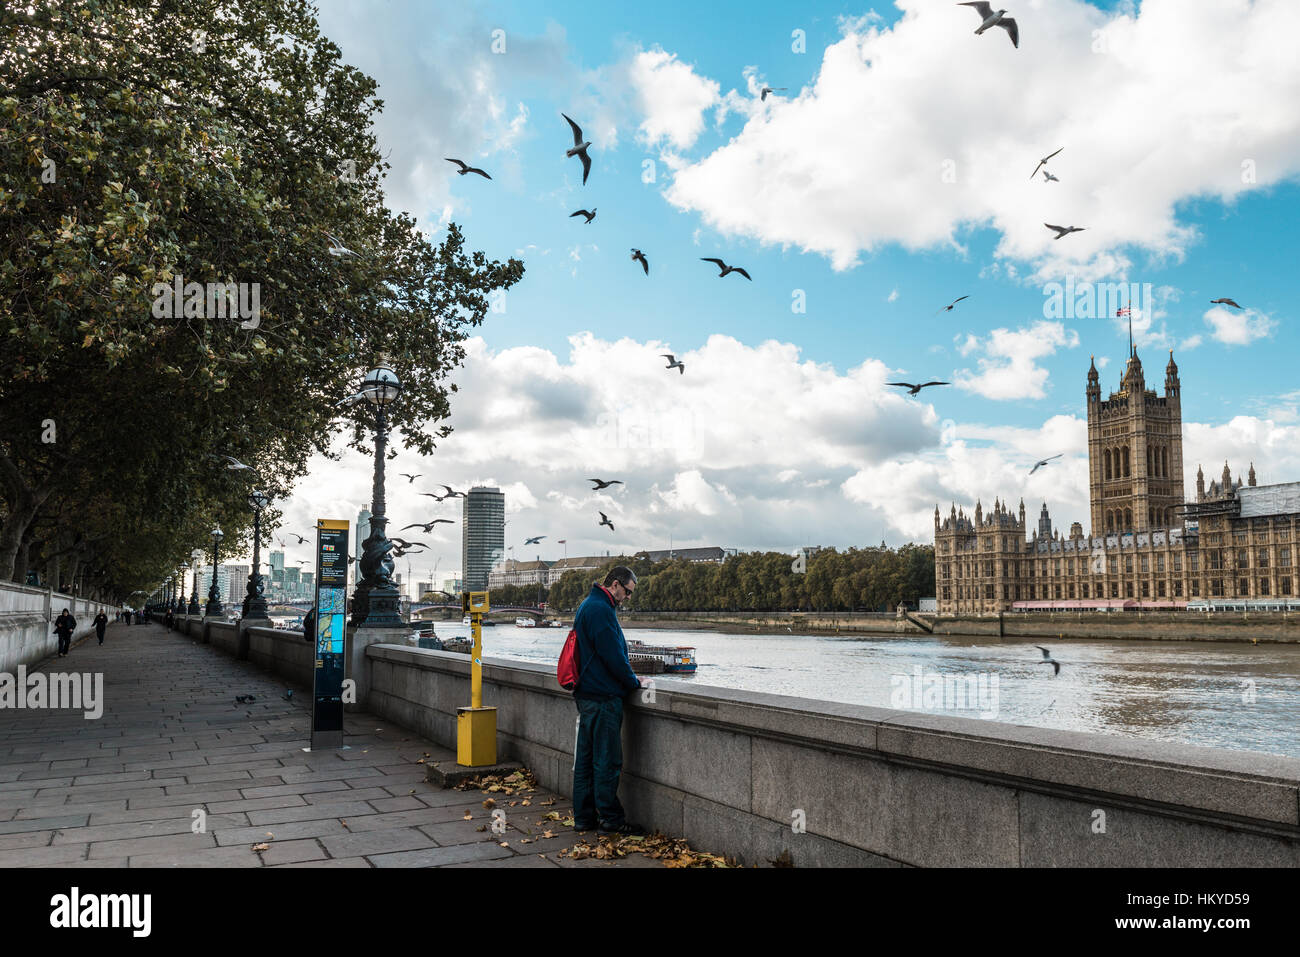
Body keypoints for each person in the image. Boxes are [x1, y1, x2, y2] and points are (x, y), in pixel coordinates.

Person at [571, 566, 646, 837]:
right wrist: (634, 682)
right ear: (615, 585)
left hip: (588, 693)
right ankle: (611, 819)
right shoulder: (601, 610)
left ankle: (583, 818)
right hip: (602, 697)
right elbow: (613, 657)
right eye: (627, 592)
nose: (627, 598)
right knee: (607, 761)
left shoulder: (589, 604)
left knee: (586, 760)